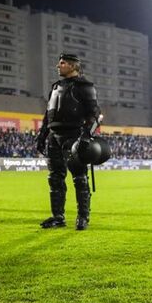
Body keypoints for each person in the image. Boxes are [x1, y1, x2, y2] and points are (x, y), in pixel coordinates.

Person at [35, 53, 100, 230]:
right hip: (53, 137)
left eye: (62, 63)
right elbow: (48, 115)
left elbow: (94, 115)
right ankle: (58, 217)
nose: (58, 65)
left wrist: (86, 137)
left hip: (74, 136)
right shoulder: (55, 87)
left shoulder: (85, 86)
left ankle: (83, 217)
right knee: (55, 178)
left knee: (79, 178)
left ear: (73, 66)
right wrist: (41, 136)